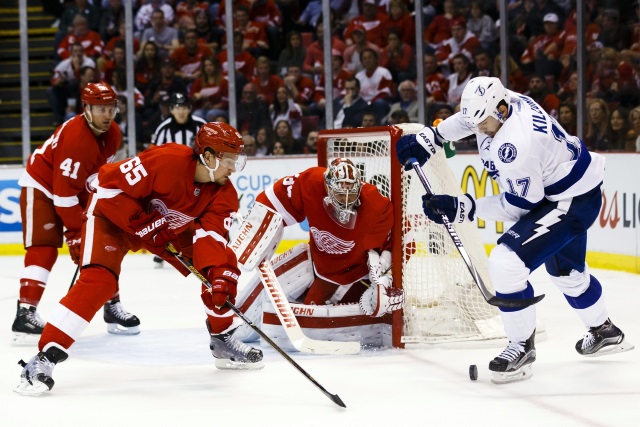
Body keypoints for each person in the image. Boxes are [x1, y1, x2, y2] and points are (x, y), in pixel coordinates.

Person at [395, 76, 634, 384]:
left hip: (567, 202)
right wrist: (435, 136)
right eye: (476, 122)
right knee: (567, 275)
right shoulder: (502, 101)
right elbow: (470, 120)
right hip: (572, 189)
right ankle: (605, 332)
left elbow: (521, 207)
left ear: (502, 109)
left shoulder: (516, 145)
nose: (479, 129)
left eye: (484, 123)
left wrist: (462, 208)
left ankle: (521, 348)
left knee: (506, 262)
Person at [15, 122, 263, 396]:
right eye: (229, 160)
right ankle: (43, 359)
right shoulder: (168, 159)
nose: (233, 168)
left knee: (219, 272)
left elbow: (211, 240)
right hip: (113, 218)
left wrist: (219, 274)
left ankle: (222, 338)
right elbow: (106, 186)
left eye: (237, 161)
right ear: (207, 156)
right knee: (99, 282)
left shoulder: (223, 194)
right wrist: (140, 222)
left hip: (163, 230)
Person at [12, 82, 141, 345]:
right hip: (42, 187)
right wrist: (75, 235)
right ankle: (25, 313)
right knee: (44, 248)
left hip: (73, 191)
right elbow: (62, 195)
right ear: (86, 109)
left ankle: (111, 305)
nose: (107, 115)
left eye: (111, 109)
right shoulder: (77, 138)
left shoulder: (113, 134)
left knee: (103, 246)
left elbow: (96, 180)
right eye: (100, 109)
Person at [231, 158, 401, 344]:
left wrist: (385, 275)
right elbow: (274, 198)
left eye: (351, 194)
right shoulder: (311, 183)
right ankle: (234, 318)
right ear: (327, 186)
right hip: (316, 260)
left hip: (350, 273)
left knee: (308, 314)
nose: (345, 201)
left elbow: (396, 242)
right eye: (339, 193)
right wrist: (257, 224)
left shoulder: (376, 205)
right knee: (287, 269)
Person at [150, 91, 207, 268]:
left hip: (198, 177)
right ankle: (167, 247)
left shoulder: (201, 125)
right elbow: (154, 154)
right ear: (171, 110)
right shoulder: (164, 129)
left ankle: (205, 245)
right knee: (170, 212)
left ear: (189, 108)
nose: (180, 111)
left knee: (202, 210)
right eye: (177, 107)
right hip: (172, 179)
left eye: (183, 107)